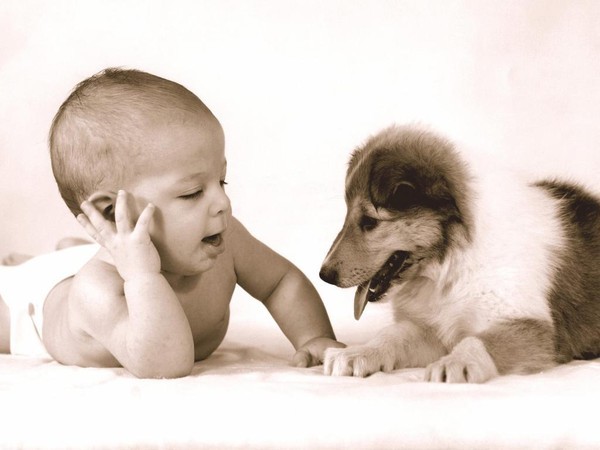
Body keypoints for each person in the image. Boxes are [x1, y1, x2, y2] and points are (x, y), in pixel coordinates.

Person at [0, 68, 344, 378]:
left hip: (104, 256)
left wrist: (314, 336)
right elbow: (165, 364)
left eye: (221, 182)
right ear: (112, 214)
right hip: (31, 308)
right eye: (193, 192)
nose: (222, 202)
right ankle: (26, 268)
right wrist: (142, 276)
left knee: (78, 259)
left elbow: (280, 282)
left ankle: (63, 253)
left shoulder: (225, 241)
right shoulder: (99, 291)